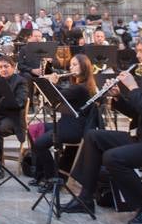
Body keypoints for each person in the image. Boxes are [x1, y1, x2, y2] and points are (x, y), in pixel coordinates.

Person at [62, 33, 142, 224]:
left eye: (141, 51)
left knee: (113, 158)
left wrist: (132, 88)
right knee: (93, 136)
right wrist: (118, 97)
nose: (137, 55)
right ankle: (85, 198)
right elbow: (139, 113)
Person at [30, 53, 97, 185]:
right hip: (66, 124)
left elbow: (59, 96)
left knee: (39, 144)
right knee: (34, 128)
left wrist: (52, 83)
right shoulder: (78, 86)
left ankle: (51, 177)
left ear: (84, 67)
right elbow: (65, 93)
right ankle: (40, 174)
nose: (71, 67)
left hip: (74, 129)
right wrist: (51, 83)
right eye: (71, 65)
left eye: (75, 64)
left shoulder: (81, 88)